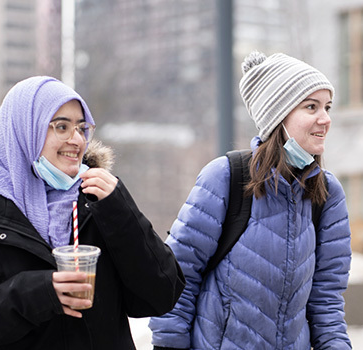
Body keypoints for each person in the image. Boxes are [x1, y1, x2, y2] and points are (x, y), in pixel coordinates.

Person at [0, 76, 186, 349]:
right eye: (61, 127)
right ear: (25, 129)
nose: (76, 139)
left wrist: (121, 212)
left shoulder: (98, 197)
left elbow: (162, 295)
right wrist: (35, 294)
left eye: (81, 127)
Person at [148, 51, 352, 350]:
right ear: (278, 116)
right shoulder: (226, 177)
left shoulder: (327, 194)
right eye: (311, 107)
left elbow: (327, 301)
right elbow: (179, 277)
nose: (326, 119)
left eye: (327, 107)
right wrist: (168, 345)